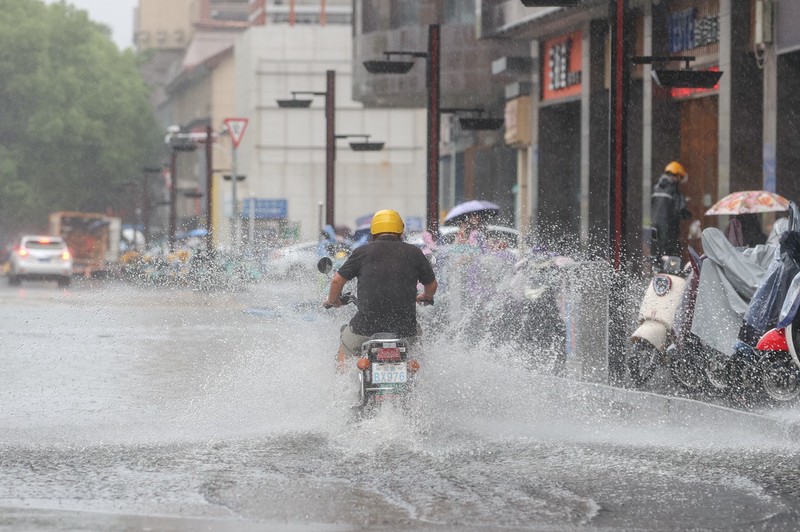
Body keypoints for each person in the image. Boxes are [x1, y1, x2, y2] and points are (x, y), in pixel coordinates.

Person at [323, 209, 437, 369]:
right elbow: (431, 285)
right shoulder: (414, 252)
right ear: (400, 229)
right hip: (404, 329)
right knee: (417, 349)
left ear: (373, 230)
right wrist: (426, 296)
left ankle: (341, 389)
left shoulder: (362, 252)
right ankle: (418, 380)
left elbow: (336, 281)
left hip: (365, 328)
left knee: (345, 345)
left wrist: (333, 301)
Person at [650, 160, 692, 259]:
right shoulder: (674, 189)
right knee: (672, 265)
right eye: (680, 177)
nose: (680, 181)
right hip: (669, 233)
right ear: (676, 175)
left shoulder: (656, 187)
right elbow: (681, 211)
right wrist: (688, 213)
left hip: (655, 232)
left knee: (657, 263)